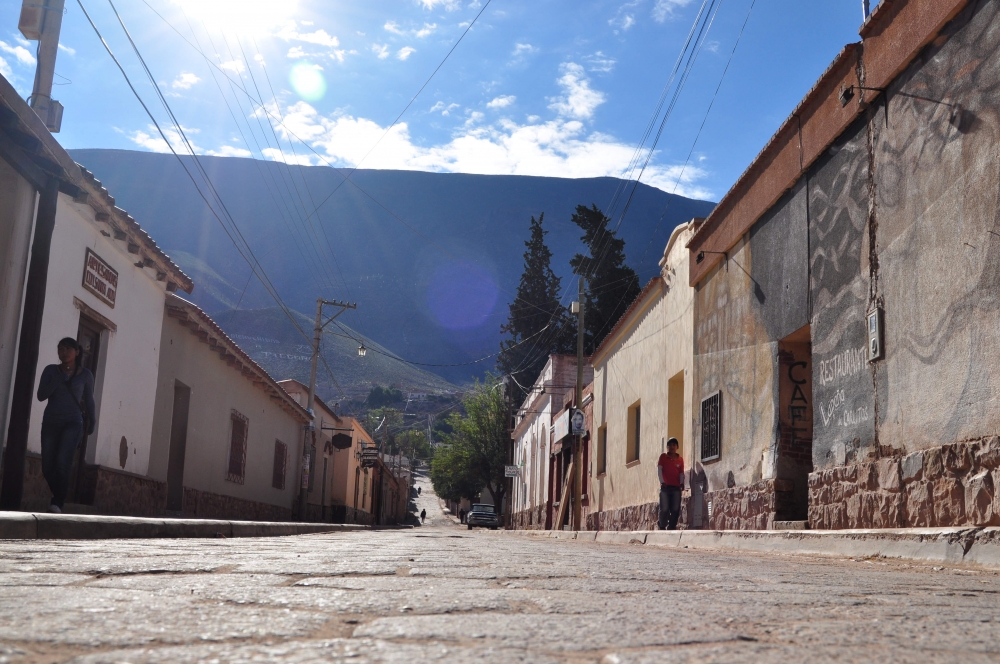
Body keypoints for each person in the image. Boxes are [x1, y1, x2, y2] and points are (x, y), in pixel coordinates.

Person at [36, 337, 96, 513]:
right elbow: (41, 395)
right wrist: (58, 380)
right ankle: (60, 493)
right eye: (60, 349)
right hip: (51, 422)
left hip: (73, 422)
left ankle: (57, 502)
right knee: (47, 466)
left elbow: (90, 400)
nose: (64, 352)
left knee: (63, 461)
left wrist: (92, 420)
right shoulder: (50, 371)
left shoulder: (86, 375)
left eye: (68, 349)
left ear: (77, 352)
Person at [657, 437, 684, 530]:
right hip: (665, 487)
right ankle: (662, 525)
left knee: (675, 509)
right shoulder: (663, 457)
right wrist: (662, 482)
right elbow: (659, 470)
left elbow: (681, 473)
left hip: (676, 488)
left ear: (677, 447)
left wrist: (682, 482)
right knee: (664, 509)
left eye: (674, 445)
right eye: (670, 445)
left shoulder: (680, 459)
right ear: (667, 447)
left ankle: (672, 526)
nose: (672, 447)